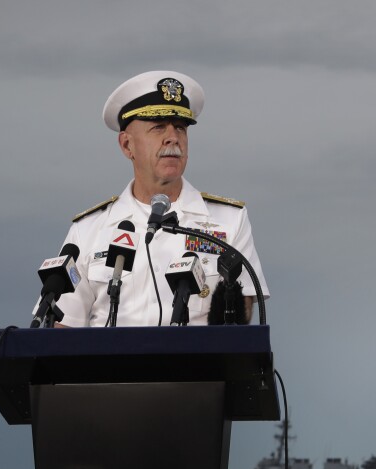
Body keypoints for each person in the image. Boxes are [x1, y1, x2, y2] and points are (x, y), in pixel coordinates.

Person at [50, 70, 269, 327]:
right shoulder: (88, 231)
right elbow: (64, 325)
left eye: (180, 128)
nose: (173, 138)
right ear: (126, 145)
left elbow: (237, 323)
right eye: (158, 127)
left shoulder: (228, 221)